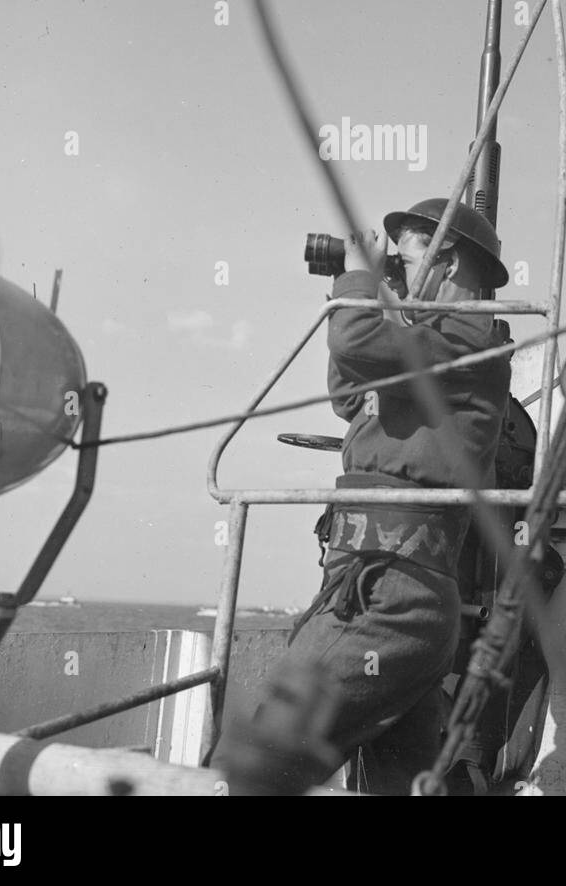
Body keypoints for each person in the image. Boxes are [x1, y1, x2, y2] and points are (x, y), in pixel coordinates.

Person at [214, 198, 513, 795]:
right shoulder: (431, 343)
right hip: (371, 580)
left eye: (402, 261)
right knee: (399, 782)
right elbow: (352, 393)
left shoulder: (473, 333)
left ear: (447, 263)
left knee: (253, 768)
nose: (393, 272)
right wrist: (369, 292)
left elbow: (355, 345)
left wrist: (358, 280)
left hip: (390, 593)